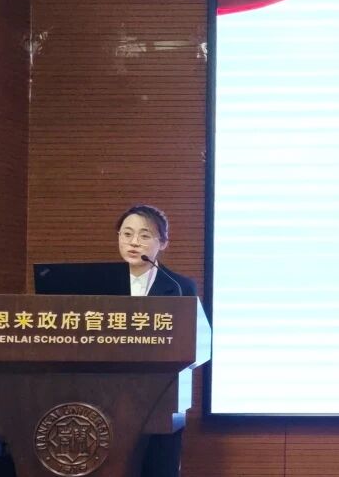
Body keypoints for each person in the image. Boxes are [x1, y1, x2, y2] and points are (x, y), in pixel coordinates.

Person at [115, 204, 197, 477]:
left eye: (145, 235)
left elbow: (198, 341)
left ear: (163, 242)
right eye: (127, 234)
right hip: (108, 398)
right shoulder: (98, 285)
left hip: (162, 399)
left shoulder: (180, 286)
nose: (133, 242)